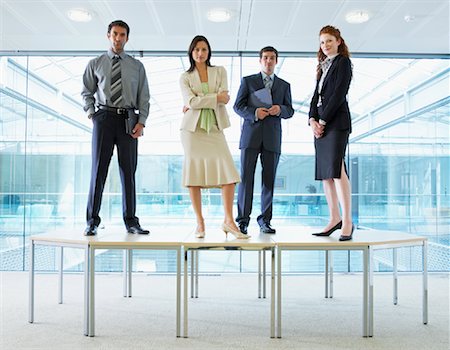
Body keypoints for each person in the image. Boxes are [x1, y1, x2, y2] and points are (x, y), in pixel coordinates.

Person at [81, 20, 150, 236]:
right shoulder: (96, 63)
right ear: (108, 36)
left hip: (128, 120)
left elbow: (144, 97)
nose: (118, 38)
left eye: (122, 35)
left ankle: (131, 221)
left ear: (127, 38)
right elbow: (86, 92)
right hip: (104, 118)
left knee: (128, 172)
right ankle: (92, 221)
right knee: (98, 170)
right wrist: (92, 114)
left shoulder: (137, 67)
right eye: (114, 34)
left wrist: (142, 121)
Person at [180, 35, 248, 239]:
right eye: (196, 50)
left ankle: (229, 220)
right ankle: (200, 223)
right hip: (192, 131)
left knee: (228, 173)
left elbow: (225, 98)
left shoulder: (219, 71)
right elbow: (190, 102)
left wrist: (203, 99)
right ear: (191, 53)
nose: (200, 53)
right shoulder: (185, 77)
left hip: (215, 128)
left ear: (209, 52)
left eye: (204, 49)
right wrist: (213, 98)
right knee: (194, 177)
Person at [234, 46, 294, 235]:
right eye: (265, 58)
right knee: (246, 180)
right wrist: (254, 113)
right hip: (250, 137)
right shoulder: (248, 81)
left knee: (269, 181)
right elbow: (237, 106)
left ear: (276, 61)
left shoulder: (284, 85)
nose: (268, 61)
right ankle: (243, 221)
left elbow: (290, 110)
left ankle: (265, 221)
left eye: (272, 58)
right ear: (260, 60)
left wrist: (280, 110)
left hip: (272, 138)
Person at [308, 25, 354, 241]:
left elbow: (338, 94)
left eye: (328, 40)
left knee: (337, 170)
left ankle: (347, 221)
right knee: (326, 173)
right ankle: (334, 217)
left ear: (338, 41)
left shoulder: (343, 63)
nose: (325, 45)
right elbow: (315, 96)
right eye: (322, 42)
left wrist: (323, 120)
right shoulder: (322, 66)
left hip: (336, 123)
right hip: (321, 125)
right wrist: (312, 120)